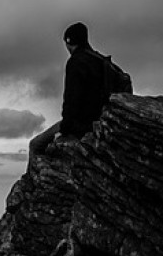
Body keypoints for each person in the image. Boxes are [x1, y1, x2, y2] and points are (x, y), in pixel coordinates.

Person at [29, 22, 109, 158]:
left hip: (80, 124)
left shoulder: (76, 62)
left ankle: (33, 178)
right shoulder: (100, 61)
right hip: (100, 120)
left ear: (69, 41)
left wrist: (64, 131)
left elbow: (72, 99)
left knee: (35, 145)